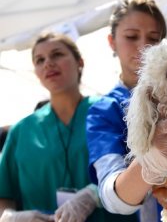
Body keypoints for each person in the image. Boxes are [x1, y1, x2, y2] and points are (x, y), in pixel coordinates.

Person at [86, 0, 167, 221]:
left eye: (153, 38)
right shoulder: (105, 110)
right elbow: (112, 196)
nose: (143, 47)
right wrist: (153, 161)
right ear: (111, 42)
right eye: (131, 37)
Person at [0, 32, 125, 221]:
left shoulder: (110, 111)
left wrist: (95, 195)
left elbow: (137, 165)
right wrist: (10, 217)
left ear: (79, 62)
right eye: (39, 60)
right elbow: (4, 194)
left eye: (57, 54)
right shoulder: (21, 132)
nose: (48, 63)